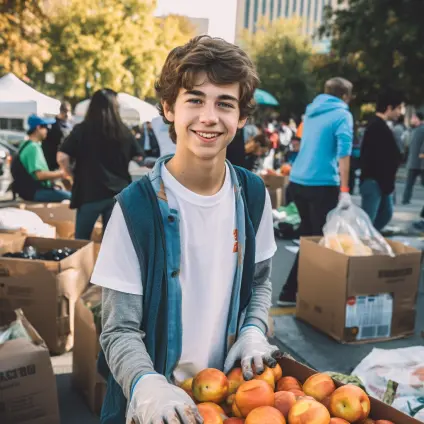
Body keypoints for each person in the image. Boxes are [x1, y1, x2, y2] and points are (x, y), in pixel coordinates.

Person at [91, 35, 279, 424]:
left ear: (241, 117)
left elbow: (260, 281)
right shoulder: (133, 209)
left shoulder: (254, 194)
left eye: (224, 103)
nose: (209, 117)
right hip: (158, 410)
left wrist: (253, 330)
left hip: (230, 400)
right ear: (168, 108)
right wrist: (146, 385)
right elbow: (118, 329)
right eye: (194, 99)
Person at [277, 77, 354, 306]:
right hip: (322, 184)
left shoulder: (310, 112)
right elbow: (344, 154)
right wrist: (345, 189)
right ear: (345, 96)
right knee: (317, 240)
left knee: (310, 237)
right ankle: (293, 292)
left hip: (298, 181)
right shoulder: (342, 114)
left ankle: (295, 291)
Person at [57, 89, 143, 240]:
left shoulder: (82, 130)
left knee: (81, 241)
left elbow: (62, 156)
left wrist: (70, 173)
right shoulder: (124, 132)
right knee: (111, 244)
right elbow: (140, 157)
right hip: (118, 194)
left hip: (89, 192)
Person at [360, 92, 403, 231]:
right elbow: (380, 158)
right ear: (389, 108)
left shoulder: (378, 126)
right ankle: (364, 244)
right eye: (398, 108)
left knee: (383, 215)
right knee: (370, 219)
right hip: (375, 181)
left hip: (379, 181)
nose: (400, 113)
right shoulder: (377, 127)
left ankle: (370, 240)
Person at [11, 114, 71, 202]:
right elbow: (39, 175)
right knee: (72, 197)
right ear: (38, 128)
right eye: (45, 127)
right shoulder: (33, 148)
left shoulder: (26, 144)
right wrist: (62, 173)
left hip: (27, 191)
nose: (47, 130)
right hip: (35, 192)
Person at [42, 101, 72, 170]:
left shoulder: (69, 125)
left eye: (68, 111)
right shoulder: (52, 125)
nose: (67, 114)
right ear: (60, 111)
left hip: (64, 161)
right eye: (65, 111)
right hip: (53, 162)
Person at [402, 112, 424, 205]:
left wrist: (422, 153)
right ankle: (405, 199)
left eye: (413, 118)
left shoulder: (422, 129)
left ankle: (406, 199)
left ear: (417, 118)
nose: (412, 119)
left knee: (411, 182)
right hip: (413, 160)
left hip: (421, 161)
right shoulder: (415, 129)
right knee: (409, 183)